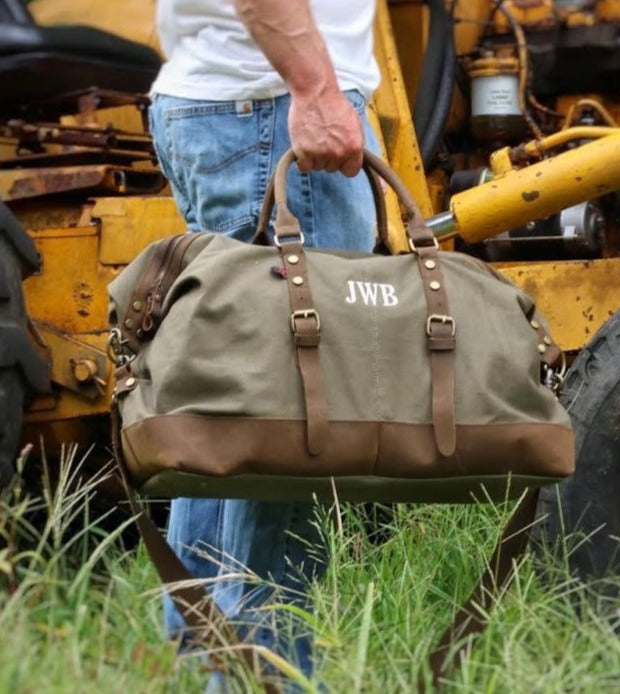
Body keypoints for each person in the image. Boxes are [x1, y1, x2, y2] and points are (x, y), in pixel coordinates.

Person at [147, 0, 381, 687]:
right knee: (296, 419)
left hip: (234, 105)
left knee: (232, 407)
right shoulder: (296, 97)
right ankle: (265, 675)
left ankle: (206, 668)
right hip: (274, 108)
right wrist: (315, 90)